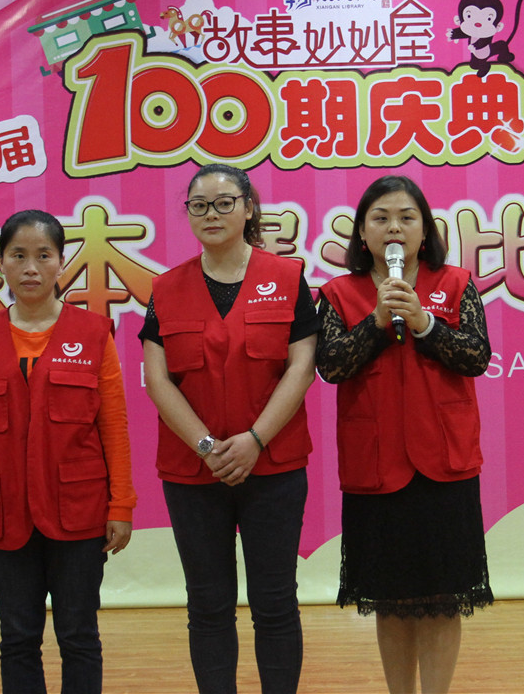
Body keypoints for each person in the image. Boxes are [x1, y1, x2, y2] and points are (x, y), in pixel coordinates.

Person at [140, 164, 319, 694]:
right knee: (208, 603)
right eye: (199, 205)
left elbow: (301, 366)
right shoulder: (165, 288)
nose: (211, 214)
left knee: (275, 601)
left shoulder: (287, 278)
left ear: (248, 208)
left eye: (224, 203)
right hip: (193, 474)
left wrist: (255, 440)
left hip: (275, 468)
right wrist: (206, 446)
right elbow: (157, 379)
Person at [315, 175, 494, 694]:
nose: (393, 227)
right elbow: (331, 365)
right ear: (362, 232)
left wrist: (425, 323)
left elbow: (477, 356)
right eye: (380, 218)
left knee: (444, 599)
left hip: (444, 463)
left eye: (406, 217)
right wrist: (376, 321)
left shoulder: (457, 283)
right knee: (390, 600)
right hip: (377, 467)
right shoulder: (337, 294)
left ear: (425, 229)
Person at [0, 209, 135, 694]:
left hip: (79, 511)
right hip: (4, 510)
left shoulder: (93, 332)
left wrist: (121, 505)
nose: (31, 267)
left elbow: (113, 425)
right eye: (18, 255)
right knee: (17, 638)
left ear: (61, 262)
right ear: (1, 262)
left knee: (79, 636)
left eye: (43, 255)